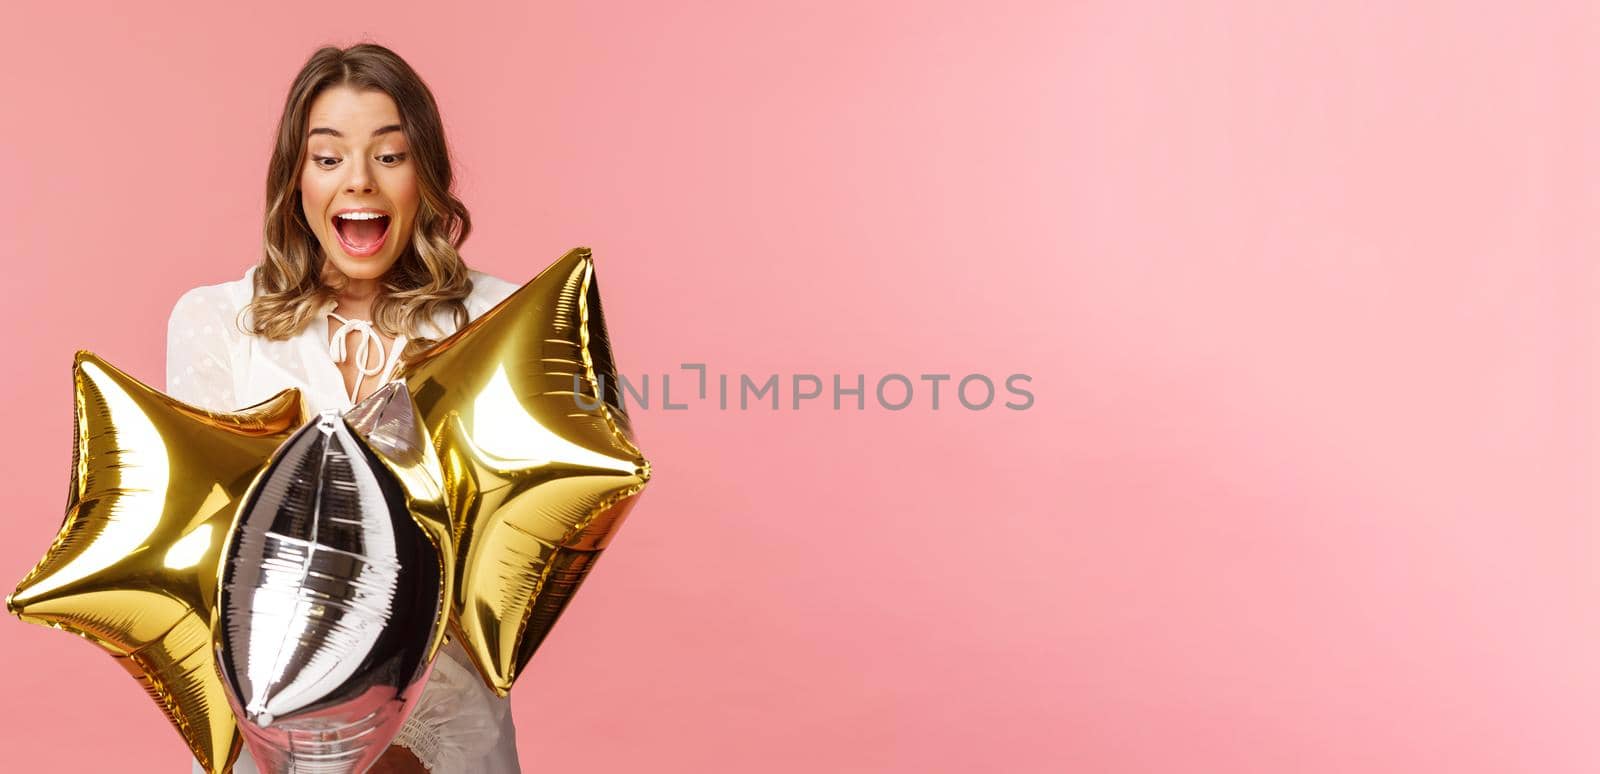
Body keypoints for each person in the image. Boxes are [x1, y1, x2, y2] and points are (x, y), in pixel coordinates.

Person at [165, 43, 523, 774]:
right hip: (283, 737)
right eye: (327, 158)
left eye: (390, 156)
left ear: (425, 172)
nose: (358, 180)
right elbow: (205, 548)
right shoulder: (216, 323)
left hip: (453, 734)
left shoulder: (498, 319)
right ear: (295, 177)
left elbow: (540, 516)